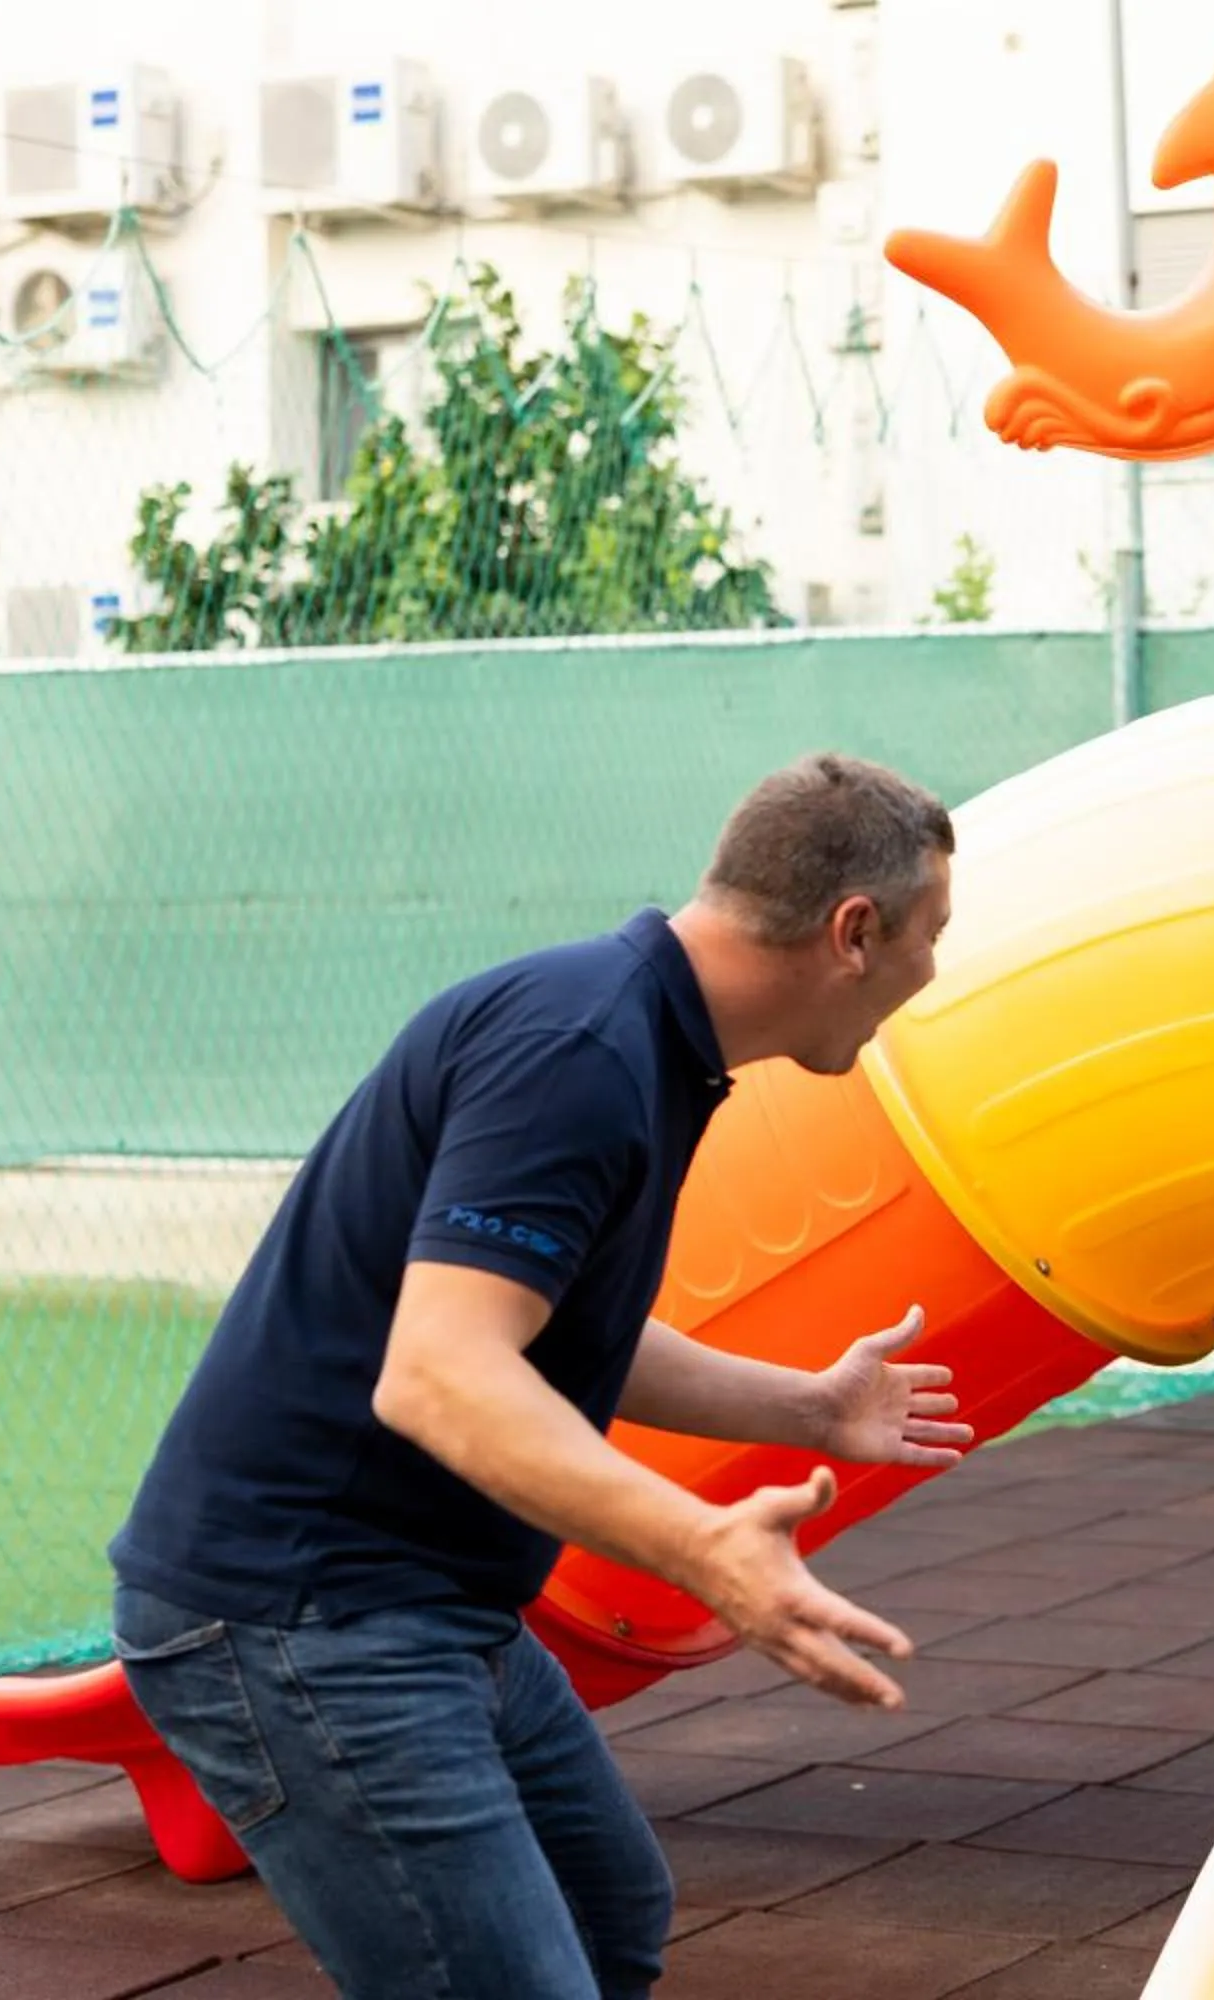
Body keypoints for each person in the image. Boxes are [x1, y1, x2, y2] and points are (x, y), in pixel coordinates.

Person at [107, 753, 979, 2000]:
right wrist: (705, 1547)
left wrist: (809, 1406)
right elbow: (441, 1374)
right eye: (930, 931)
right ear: (853, 931)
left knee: (606, 1912)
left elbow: (548, 1328)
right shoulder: (580, 1054)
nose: (932, 967)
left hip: (427, 1600)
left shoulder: (641, 1038)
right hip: (303, 1612)